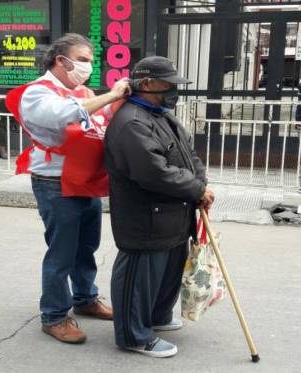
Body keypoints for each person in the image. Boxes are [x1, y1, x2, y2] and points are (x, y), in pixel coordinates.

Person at [5, 33, 130, 344]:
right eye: (83, 60)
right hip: (55, 183)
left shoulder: (83, 91)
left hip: (85, 179)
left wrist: (123, 99)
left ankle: (85, 298)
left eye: (90, 61)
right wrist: (112, 95)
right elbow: (66, 114)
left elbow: (101, 117)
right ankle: (54, 315)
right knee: (61, 252)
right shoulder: (37, 93)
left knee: (85, 247)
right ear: (61, 61)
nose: (88, 67)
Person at [104, 56, 214, 358]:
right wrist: (196, 189)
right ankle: (133, 335)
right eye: (169, 85)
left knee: (167, 269)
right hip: (144, 215)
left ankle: (155, 317)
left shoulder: (162, 116)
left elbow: (190, 156)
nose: (173, 92)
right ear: (148, 84)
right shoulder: (131, 122)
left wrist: (200, 186)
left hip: (174, 211)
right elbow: (153, 171)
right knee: (139, 275)